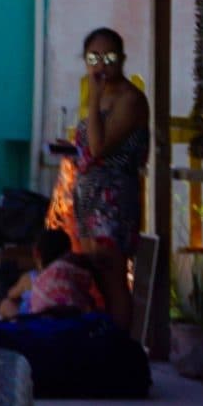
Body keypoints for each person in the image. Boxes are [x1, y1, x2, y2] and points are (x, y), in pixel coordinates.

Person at [63, 26, 151, 328]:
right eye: (94, 57)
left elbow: (99, 148)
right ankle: (100, 344)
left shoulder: (129, 98)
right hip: (88, 197)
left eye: (109, 57)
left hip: (113, 196)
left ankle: (122, 349)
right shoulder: (99, 99)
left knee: (113, 274)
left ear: (123, 59)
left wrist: (94, 95)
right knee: (91, 274)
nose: (101, 64)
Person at [0, 227, 105, 319]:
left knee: (5, 304)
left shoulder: (30, 278)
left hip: (38, 324)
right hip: (74, 320)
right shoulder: (75, 273)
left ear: (36, 254)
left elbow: (11, 294)